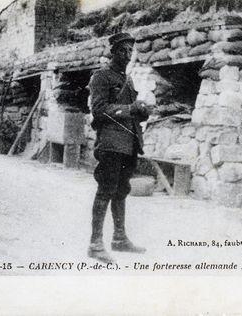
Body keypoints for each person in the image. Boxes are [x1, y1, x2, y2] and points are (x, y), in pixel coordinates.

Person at [87, 32, 152, 263]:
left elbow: (131, 112)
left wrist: (142, 111)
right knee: (106, 188)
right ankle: (95, 244)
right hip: (111, 143)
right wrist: (131, 109)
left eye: (130, 51)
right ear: (113, 52)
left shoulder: (129, 80)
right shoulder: (101, 77)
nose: (127, 55)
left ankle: (119, 238)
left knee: (122, 189)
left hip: (129, 143)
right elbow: (99, 110)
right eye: (123, 51)